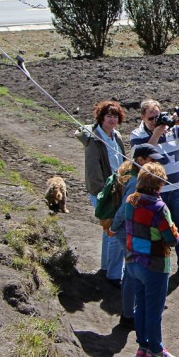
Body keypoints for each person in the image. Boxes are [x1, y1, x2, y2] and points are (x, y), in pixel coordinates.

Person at [130, 99, 179, 280]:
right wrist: (156, 133)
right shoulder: (136, 134)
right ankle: (159, 267)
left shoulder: (173, 129)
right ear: (142, 117)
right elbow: (141, 155)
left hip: (177, 188)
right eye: (151, 118)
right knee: (157, 231)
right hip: (154, 192)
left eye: (157, 117)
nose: (154, 121)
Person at [123, 162, 179, 357]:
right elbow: (172, 239)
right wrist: (175, 231)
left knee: (141, 305)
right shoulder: (159, 208)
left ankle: (142, 346)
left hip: (132, 261)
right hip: (154, 264)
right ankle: (155, 349)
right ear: (159, 185)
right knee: (154, 309)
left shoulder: (130, 201)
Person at [108, 144, 166, 329]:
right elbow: (124, 209)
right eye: (152, 160)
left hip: (127, 231)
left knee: (131, 272)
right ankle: (127, 316)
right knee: (132, 274)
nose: (155, 163)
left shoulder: (131, 176)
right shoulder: (135, 183)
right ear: (140, 160)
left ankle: (129, 312)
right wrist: (115, 228)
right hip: (128, 232)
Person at [75, 100, 127, 285]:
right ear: (101, 117)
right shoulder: (93, 140)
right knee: (116, 228)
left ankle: (107, 267)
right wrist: (104, 194)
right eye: (108, 116)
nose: (112, 120)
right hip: (105, 192)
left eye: (115, 116)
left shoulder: (116, 136)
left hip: (117, 189)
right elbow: (93, 171)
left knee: (109, 230)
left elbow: (122, 161)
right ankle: (114, 275)